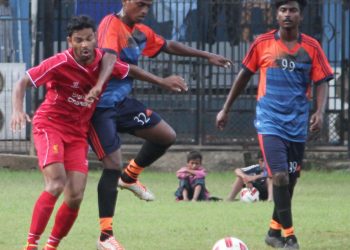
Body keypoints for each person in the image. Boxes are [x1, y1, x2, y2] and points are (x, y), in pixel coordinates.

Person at [12, 15, 186, 250]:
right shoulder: (59, 63)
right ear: (69, 42)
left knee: (75, 196)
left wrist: (162, 82)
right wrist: (17, 111)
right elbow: (23, 82)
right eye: (78, 40)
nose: (84, 44)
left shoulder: (104, 61)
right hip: (50, 125)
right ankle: (31, 245)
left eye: (89, 38)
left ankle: (51, 246)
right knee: (56, 183)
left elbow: (131, 70)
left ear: (95, 38)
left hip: (77, 133)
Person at [84, 1, 232, 249]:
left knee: (166, 135)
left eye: (148, 6)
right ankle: (105, 236)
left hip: (122, 103)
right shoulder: (110, 25)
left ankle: (129, 177)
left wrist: (207, 55)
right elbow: (114, 61)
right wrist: (161, 81)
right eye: (140, 4)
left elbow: (167, 45)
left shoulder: (140, 31)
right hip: (100, 107)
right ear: (125, 2)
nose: (145, 10)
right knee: (111, 165)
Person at [216, 0, 333, 249]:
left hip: (298, 122)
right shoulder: (262, 43)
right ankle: (290, 237)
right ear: (276, 14)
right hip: (269, 121)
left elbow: (322, 80)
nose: (287, 14)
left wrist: (320, 112)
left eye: (292, 10)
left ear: (300, 15)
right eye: (283, 10)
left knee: (290, 180)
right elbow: (244, 74)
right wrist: (225, 108)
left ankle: (272, 232)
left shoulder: (312, 46)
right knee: (278, 175)